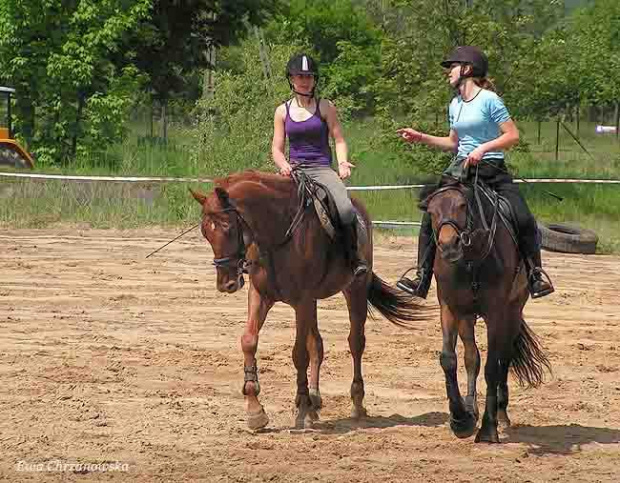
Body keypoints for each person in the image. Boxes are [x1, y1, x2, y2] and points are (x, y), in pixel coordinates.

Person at [396, 45, 554, 299]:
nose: (448, 72)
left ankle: (535, 276)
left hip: (491, 169)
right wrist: (421, 137)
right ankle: (421, 276)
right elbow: (453, 143)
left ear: (467, 69)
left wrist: (483, 148)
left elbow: (512, 135)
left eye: (452, 67)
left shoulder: (490, 100)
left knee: (523, 217)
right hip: (460, 169)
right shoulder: (455, 104)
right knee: (431, 213)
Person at [272, 53, 368, 277]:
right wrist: (284, 164)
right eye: (300, 76)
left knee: (344, 209)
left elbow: (339, 139)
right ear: (291, 79)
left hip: (321, 169)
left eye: (309, 76)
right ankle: (258, 259)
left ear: (314, 80)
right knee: (265, 205)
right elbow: (276, 148)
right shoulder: (281, 111)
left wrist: (342, 162)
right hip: (294, 170)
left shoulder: (325, 107)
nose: (305, 81)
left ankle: (354, 256)